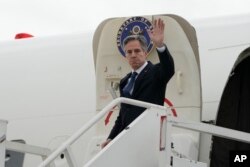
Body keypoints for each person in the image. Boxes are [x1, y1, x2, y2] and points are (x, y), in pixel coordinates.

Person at [101, 18, 175, 148]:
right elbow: (122, 115)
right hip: (128, 139)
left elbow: (169, 68)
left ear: (145, 53)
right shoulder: (125, 81)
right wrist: (111, 137)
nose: (133, 55)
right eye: (129, 52)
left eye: (137, 51)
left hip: (149, 137)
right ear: (125, 56)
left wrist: (160, 46)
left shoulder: (156, 72)